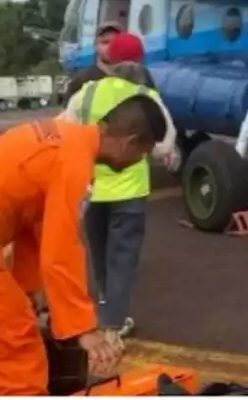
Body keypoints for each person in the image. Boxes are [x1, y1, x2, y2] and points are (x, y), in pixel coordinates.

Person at [0, 89, 168, 395]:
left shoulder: (56, 137)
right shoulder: (74, 162)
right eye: (142, 154)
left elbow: (32, 228)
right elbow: (61, 251)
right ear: (130, 142)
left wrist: (24, 295)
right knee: (20, 364)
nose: (137, 162)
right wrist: (83, 330)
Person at [61, 65, 179, 340]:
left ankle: (104, 307)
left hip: (92, 190)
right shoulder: (145, 97)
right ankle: (114, 321)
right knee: (122, 259)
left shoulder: (87, 93)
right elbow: (163, 145)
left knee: (100, 255)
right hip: (129, 190)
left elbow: (65, 129)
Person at [64, 23, 137, 99]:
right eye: (105, 42)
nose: (111, 46)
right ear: (95, 46)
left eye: (116, 42)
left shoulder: (135, 78)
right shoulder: (82, 80)